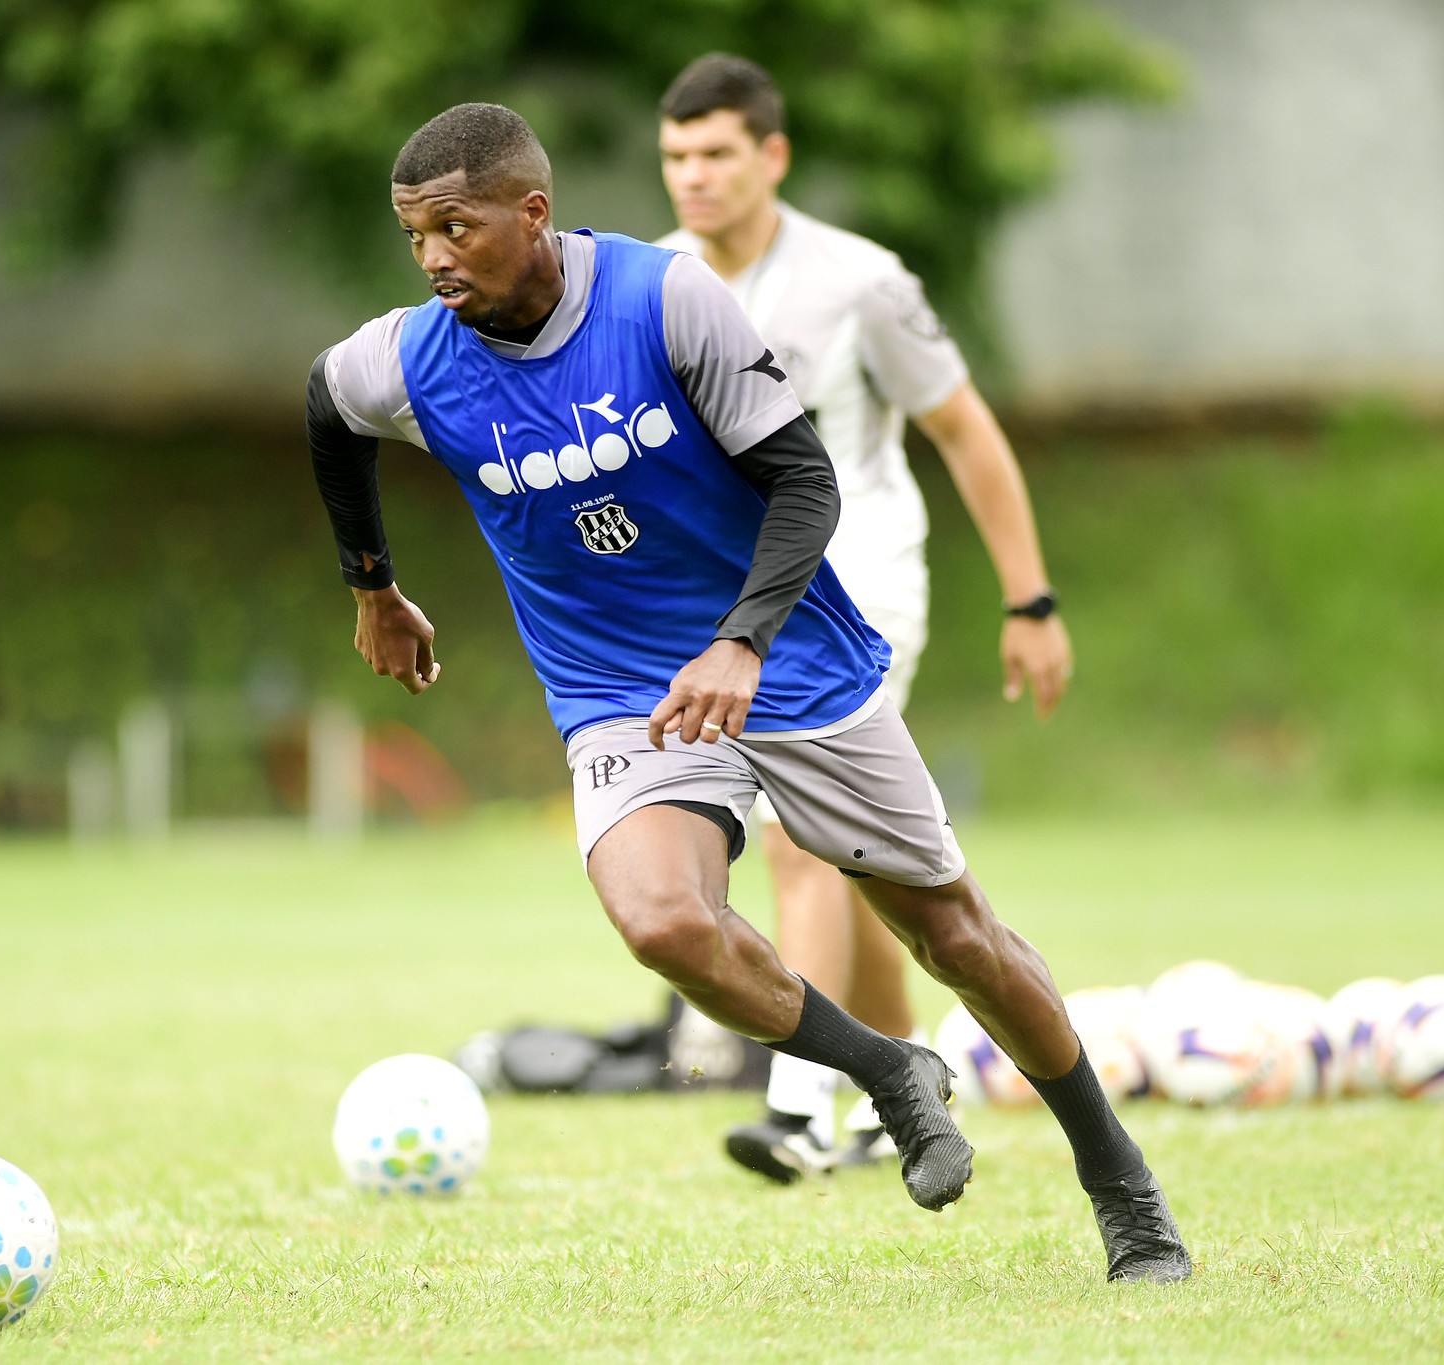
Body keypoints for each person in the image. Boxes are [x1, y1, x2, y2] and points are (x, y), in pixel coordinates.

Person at [305, 101, 1190, 1282]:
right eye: (415, 234)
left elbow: (803, 486)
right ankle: (888, 1073)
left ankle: (1122, 1188)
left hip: (795, 665)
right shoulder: (412, 354)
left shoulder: (661, 302)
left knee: (958, 939)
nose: (432, 258)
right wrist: (373, 586)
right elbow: (325, 406)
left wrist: (740, 644)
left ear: (533, 211)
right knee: (664, 922)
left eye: (454, 229)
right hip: (623, 692)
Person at [653, 54, 1076, 1182]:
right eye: (675, 157)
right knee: (858, 871)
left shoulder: (860, 283)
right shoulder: (654, 283)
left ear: (771, 155)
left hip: (859, 592)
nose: (692, 177)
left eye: (715, 154)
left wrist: (1029, 600)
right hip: (727, 611)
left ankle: (797, 1113)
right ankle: (909, 1079)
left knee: (799, 839)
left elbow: (966, 434)